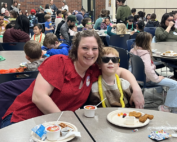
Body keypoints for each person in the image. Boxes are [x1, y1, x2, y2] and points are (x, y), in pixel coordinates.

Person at [1, 30, 144, 128]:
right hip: (24, 120)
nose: (90, 53)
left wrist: (137, 90)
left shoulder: (92, 70)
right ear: (75, 49)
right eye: (85, 48)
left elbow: (121, 71)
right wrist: (67, 122)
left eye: (94, 48)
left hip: (55, 126)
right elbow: (39, 97)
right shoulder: (58, 62)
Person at [130, 32, 177, 113]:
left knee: (160, 75)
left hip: (138, 78)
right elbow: (148, 70)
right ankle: (166, 107)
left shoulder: (133, 50)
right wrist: (157, 79)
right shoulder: (145, 54)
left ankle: (163, 94)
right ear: (147, 42)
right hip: (148, 79)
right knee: (175, 84)